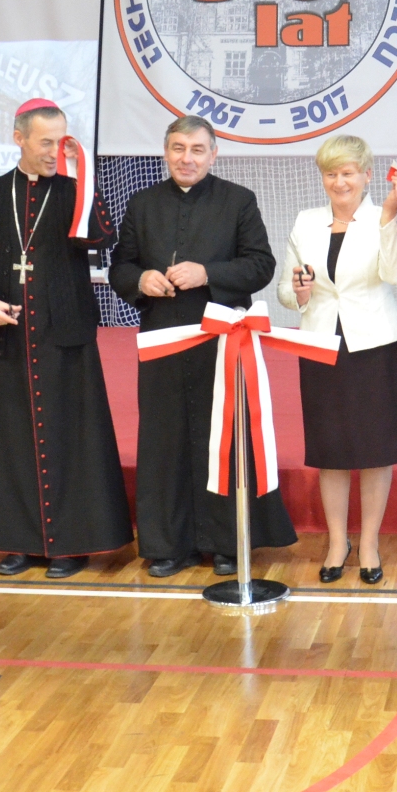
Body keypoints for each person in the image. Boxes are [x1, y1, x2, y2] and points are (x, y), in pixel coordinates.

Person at [0, 99, 132, 577]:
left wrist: (83, 179)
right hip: (10, 338)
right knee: (13, 441)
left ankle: (74, 543)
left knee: (74, 439)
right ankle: (20, 541)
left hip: (65, 337)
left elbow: (100, 238)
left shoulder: (75, 190)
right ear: (20, 139)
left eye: (62, 141)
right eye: (46, 142)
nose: (55, 151)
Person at [109, 115, 290, 577]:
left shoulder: (238, 200)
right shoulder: (142, 203)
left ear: (213, 154)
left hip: (221, 341)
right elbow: (120, 267)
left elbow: (261, 265)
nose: (186, 158)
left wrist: (207, 273)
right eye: (178, 148)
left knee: (223, 438)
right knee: (164, 442)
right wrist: (141, 280)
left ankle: (228, 542)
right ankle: (170, 545)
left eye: (196, 149)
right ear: (165, 152)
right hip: (162, 341)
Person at [277, 135, 397, 585]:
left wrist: (390, 219)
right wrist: (297, 293)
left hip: (374, 344)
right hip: (320, 343)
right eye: (331, 174)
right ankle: (338, 542)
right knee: (329, 449)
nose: (340, 181)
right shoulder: (306, 221)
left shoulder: (383, 216)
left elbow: (395, 274)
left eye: (348, 172)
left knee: (375, 448)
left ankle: (369, 543)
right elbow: (285, 290)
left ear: (367, 175)